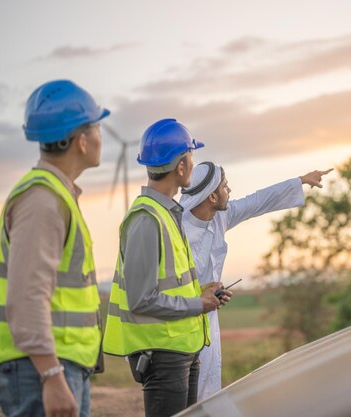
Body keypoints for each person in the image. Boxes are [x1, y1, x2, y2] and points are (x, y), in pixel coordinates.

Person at [0, 80, 109, 417]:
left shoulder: (54, 193)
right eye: (96, 125)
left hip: (45, 363)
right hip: (35, 368)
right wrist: (51, 374)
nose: (100, 135)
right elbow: (27, 295)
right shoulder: (43, 201)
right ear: (81, 141)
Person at [102, 118, 232, 417]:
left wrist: (203, 292)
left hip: (184, 349)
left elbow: (168, 285)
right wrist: (198, 304)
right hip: (164, 356)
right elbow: (141, 298)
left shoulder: (167, 213)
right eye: (190, 156)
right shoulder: (147, 219)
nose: (192, 162)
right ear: (182, 166)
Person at [180, 163, 332, 400]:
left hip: (208, 319)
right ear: (211, 196)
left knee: (207, 390)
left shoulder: (220, 217)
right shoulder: (177, 229)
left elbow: (257, 201)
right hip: (181, 323)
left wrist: (300, 180)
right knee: (185, 395)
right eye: (224, 186)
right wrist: (202, 296)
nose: (229, 189)